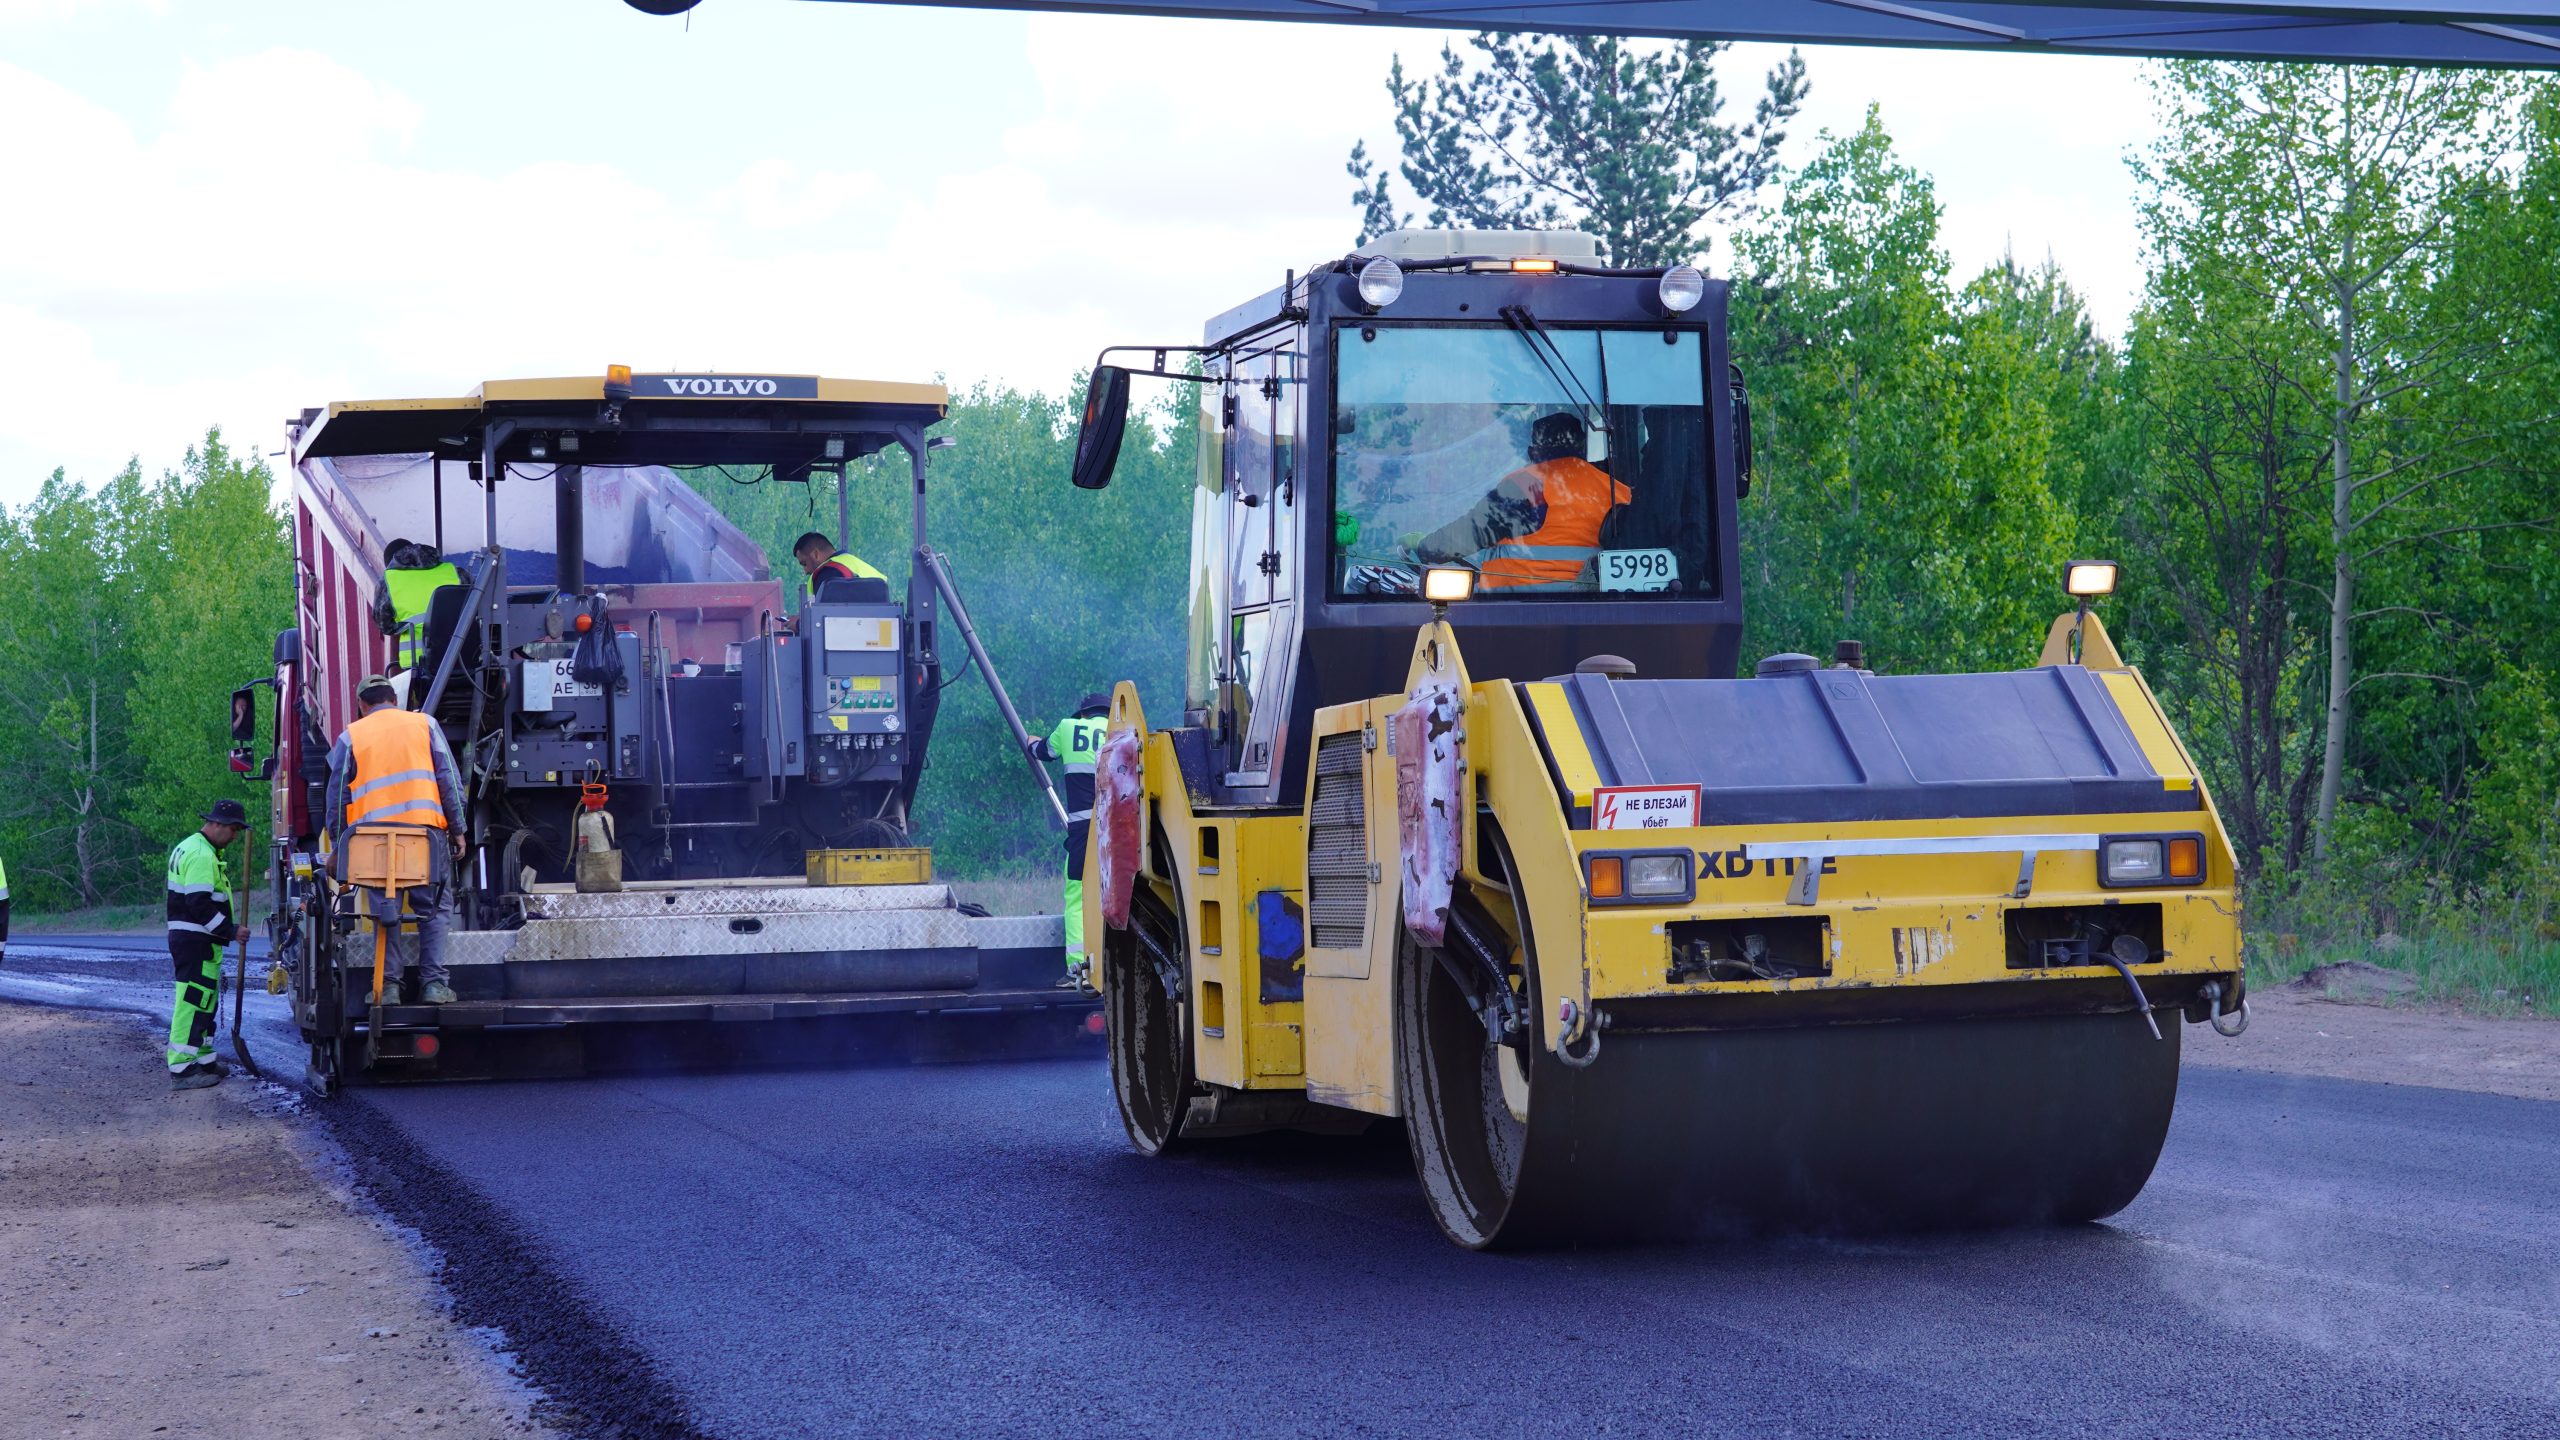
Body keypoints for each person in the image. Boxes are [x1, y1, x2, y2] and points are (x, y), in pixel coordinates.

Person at [323, 675, 467, 1005]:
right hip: (423, 838)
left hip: (373, 843)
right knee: (433, 910)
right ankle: (433, 984)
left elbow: (337, 796)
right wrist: (458, 829)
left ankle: (388, 988)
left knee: (384, 910)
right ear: (394, 700)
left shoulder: (351, 736)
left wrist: (338, 845)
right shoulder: (425, 725)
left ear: (362, 705)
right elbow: (449, 781)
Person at [1414, 412, 1630, 589]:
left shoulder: (1525, 485)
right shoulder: (1619, 491)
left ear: (1532, 452)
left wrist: (1423, 548)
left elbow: (1469, 533)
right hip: (1594, 605)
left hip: (1517, 607)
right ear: (1582, 449)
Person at [166, 799, 247, 1090]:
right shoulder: (201, 854)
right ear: (218, 825)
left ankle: (203, 1058)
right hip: (194, 940)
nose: (236, 836)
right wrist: (231, 931)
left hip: (199, 940)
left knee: (205, 1001)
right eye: (234, 829)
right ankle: (182, 1069)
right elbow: (197, 903)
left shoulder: (197, 848)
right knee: (192, 1001)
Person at [1032, 693, 1110, 981]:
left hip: (1083, 830)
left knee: (1077, 896)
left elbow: (1043, 751)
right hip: (1118, 832)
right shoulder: (1123, 732)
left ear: (1084, 715)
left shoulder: (1068, 727)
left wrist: (1031, 742)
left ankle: (1079, 969)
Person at [373, 538, 461, 672]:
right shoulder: (453, 571)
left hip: (419, 663)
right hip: (461, 657)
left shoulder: (388, 580)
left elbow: (385, 626)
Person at [792, 532, 886, 602]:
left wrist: (798, 624)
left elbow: (825, 618)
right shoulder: (859, 566)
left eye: (804, 563)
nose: (806, 571)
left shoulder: (827, 573)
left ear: (816, 554)